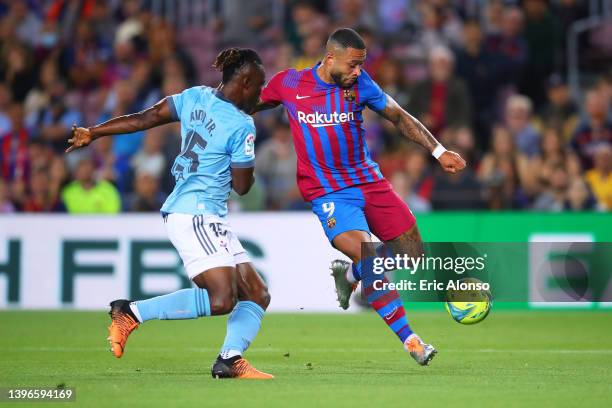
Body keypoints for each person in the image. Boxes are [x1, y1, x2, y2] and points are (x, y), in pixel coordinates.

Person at [254, 28, 466, 366]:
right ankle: (411, 340)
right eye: (353, 65)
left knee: (411, 254)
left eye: (361, 65)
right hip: (328, 192)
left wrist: (438, 151)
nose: (358, 72)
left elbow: (398, 116)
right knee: (367, 253)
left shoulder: (361, 84)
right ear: (329, 59)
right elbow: (246, 104)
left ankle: (349, 275)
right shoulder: (290, 84)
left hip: (369, 182)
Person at [66, 48, 272, 380]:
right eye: (259, 86)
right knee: (221, 299)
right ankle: (130, 312)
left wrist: (95, 131)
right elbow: (243, 186)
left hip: (201, 214)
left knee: (258, 294)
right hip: (196, 213)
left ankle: (229, 360)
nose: (261, 94)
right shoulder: (242, 125)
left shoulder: (195, 96)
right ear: (245, 81)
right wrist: (245, 148)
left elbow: (145, 118)